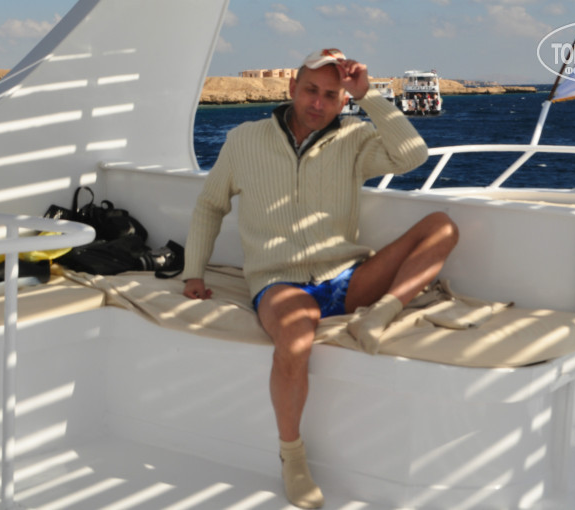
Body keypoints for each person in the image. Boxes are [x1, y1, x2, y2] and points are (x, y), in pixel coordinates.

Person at [182, 48, 458, 509]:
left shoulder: (355, 137)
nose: (318, 103)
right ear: (292, 87)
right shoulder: (244, 140)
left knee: (442, 227)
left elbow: (413, 154)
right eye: (310, 90)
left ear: (342, 99)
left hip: (346, 277)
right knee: (294, 342)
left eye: (331, 95)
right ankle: (292, 458)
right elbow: (211, 205)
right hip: (281, 283)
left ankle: (381, 314)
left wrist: (367, 95)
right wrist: (193, 271)